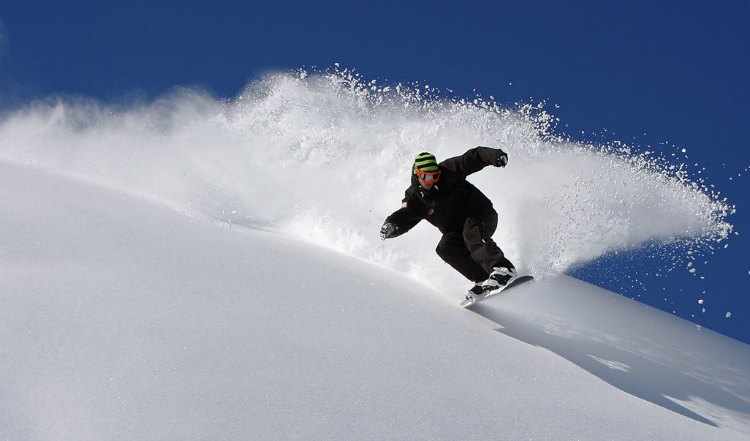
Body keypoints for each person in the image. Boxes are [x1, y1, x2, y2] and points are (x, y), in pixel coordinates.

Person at [380, 147, 517, 302]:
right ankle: (483, 277)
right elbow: (406, 215)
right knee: (445, 248)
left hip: (482, 216)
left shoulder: (449, 171)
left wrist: (495, 156)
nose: (431, 181)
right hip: (457, 231)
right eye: (427, 177)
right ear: (417, 174)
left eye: (435, 175)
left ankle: (503, 268)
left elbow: (474, 157)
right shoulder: (415, 198)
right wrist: (392, 225)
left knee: (470, 231)